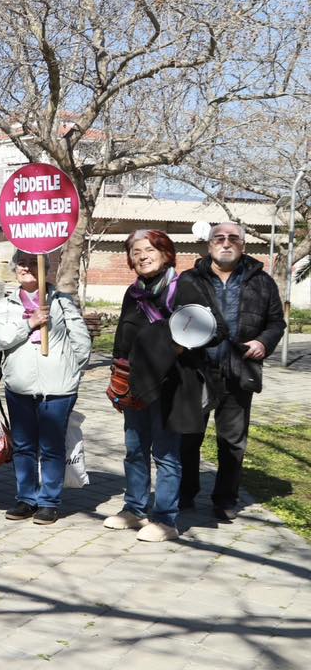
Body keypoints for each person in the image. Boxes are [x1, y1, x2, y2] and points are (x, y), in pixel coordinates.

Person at [106, 229, 225, 542]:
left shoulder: (185, 286)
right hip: (136, 384)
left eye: (148, 249)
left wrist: (184, 345)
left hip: (173, 385)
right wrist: (116, 373)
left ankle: (165, 519)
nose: (142, 256)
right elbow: (122, 338)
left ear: (165, 252)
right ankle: (134, 509)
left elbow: (217, 330)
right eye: (135, 251)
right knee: (134, 450)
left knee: (166, 454)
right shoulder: (133, 293)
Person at [178, 224, 286, 522]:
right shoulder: (189, 280)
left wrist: (264, 342)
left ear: (243, 245)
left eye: (233, 239)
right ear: (209, 244)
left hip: (239, 372)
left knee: (232, 441)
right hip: (196, 372)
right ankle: (185, 493)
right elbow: (173, 320)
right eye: (219, 238)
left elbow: (276, 322)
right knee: (188, 437)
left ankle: (225, 499)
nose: (226, 244)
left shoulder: (262, 282)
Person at [0, 251, 91, 525]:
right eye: (21, 263)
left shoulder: (61, 302)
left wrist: (70, 372)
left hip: (58, 388)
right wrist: (29, 323)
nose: (26, 267)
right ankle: (26, 498)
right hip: (20, 386)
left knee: (51, 446)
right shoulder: (7, 303)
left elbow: (82, 342)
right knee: (23, 446)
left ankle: (49, 501)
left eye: (34, 263)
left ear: (47, 268)